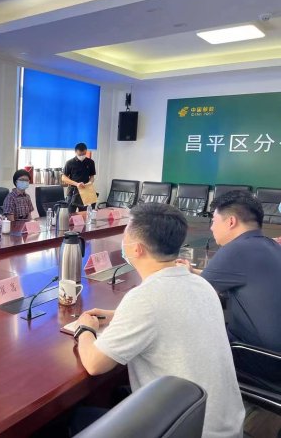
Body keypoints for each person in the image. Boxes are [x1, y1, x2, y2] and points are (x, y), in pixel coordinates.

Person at [72, 203, 244, 437]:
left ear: (137, 249)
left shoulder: (145, 298)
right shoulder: (201, 283)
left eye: (125, 236)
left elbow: (94, 364)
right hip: (224, 426)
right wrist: (118, 316)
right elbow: (172, 313)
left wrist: (84, 329)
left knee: (74, 419)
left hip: (189, 431)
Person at [177, 190, 281, 352]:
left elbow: (194, 295)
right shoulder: (270, 245)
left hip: (257, 355)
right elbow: (235, 277)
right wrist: (193, 271)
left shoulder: (237, 250)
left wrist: (183, 275)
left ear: (231, 221)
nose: (211, 227)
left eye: (214, 221)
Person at [61, 142, 96, 213]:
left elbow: (92, 176)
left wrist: (89, 183)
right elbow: (63, 178)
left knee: (85, 214)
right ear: (75, 152)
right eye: (80, 154)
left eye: (84, 154)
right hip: (72, 192)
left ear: (86, 151)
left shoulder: (90, 162)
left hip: (85, 191)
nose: (82, 156)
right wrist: (76, 184)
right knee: (70, 214)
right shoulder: (70, 163)